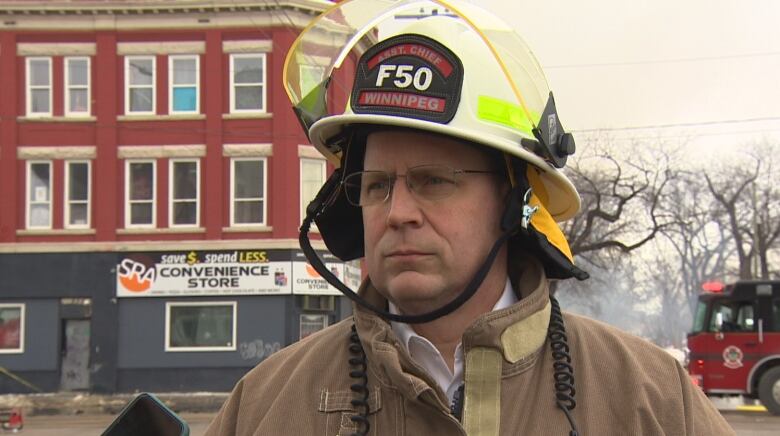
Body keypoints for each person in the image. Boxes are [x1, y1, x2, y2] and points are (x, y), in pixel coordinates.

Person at [205, 1, 734, 435]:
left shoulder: (651, 399)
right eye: (376, 185)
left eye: (434, 180)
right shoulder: (265, 405)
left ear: (513, 202)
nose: (398, 213)